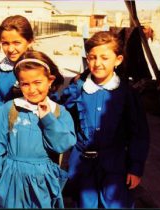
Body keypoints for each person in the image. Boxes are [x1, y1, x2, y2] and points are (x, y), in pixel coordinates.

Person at [60, 31, 150, 208]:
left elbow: (139, 133)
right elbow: (62, 119)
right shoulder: (77, 90)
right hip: (83, 167)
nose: (97, 63)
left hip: (116, 167)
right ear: (87, 59)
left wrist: (135, 167)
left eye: (104, 57)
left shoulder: (127, 94)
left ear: (118, 60)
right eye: (92, 57)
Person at [0, 50, 77, 208]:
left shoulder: (59, 112)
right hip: (12, 177)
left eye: (37, 82)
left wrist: (47, 118)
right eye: (25, 84)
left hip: (44, 179)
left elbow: (62, 145)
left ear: (50, 80)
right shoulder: (9, 109)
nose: (32, 89)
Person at [0, 15, 34, 118]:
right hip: (7, 128)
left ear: (30, 41)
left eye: (16, 43)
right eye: (5, 43)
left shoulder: (43, 69)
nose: (10, 49)